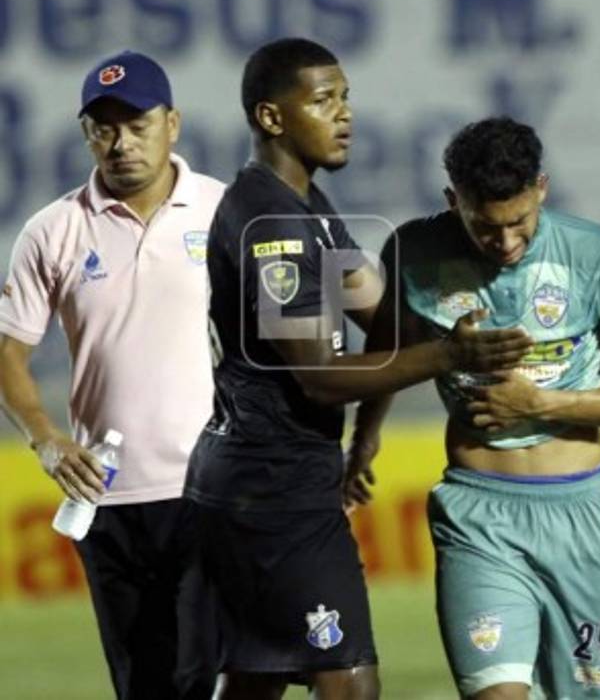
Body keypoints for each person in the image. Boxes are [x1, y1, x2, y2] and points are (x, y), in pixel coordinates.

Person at [183, 39, 532, 700]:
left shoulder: (307, 206)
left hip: (267, 479)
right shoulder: (274, 223)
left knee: (256, 678)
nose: (344, 114)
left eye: (345, 97)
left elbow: (384, 323)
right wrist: (450, 354)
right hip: (272, 488)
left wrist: (372, 424)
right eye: (323, 100)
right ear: (271, 117)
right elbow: (317, 373)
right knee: (347, 681)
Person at [360, 116, 600, 699]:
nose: (505, 243)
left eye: (519, 224)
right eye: (485, 227)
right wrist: (365, 439)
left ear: (542, 189)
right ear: (453, 200)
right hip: (477, 515)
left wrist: (542, 402)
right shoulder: (414, 249)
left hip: (583, 516)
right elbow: (388, 355)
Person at [0, 51, 221, 699]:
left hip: (210, 486)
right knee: (145, 686)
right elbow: (8, 349)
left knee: (205, 679)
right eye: (104, 126)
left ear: (172, 123)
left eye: (137, 123)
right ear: (86, 133)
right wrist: (45, 436)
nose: (121, 141)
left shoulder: (224, 209)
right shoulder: (53, 230)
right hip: (108, 496)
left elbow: (274, 338)